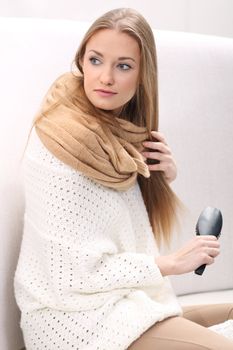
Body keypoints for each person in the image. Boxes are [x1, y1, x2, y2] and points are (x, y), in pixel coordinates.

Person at [14, 7, 233, 350]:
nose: (105, 78)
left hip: (126, 306)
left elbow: (110, 228)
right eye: (96, 60)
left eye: (124, 66)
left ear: (142, 75)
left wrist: (162, 177)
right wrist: (171, 264)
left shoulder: (119, 141)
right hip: (73, 322)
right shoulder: (60, 143)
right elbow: (73, 275)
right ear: (81, 61)